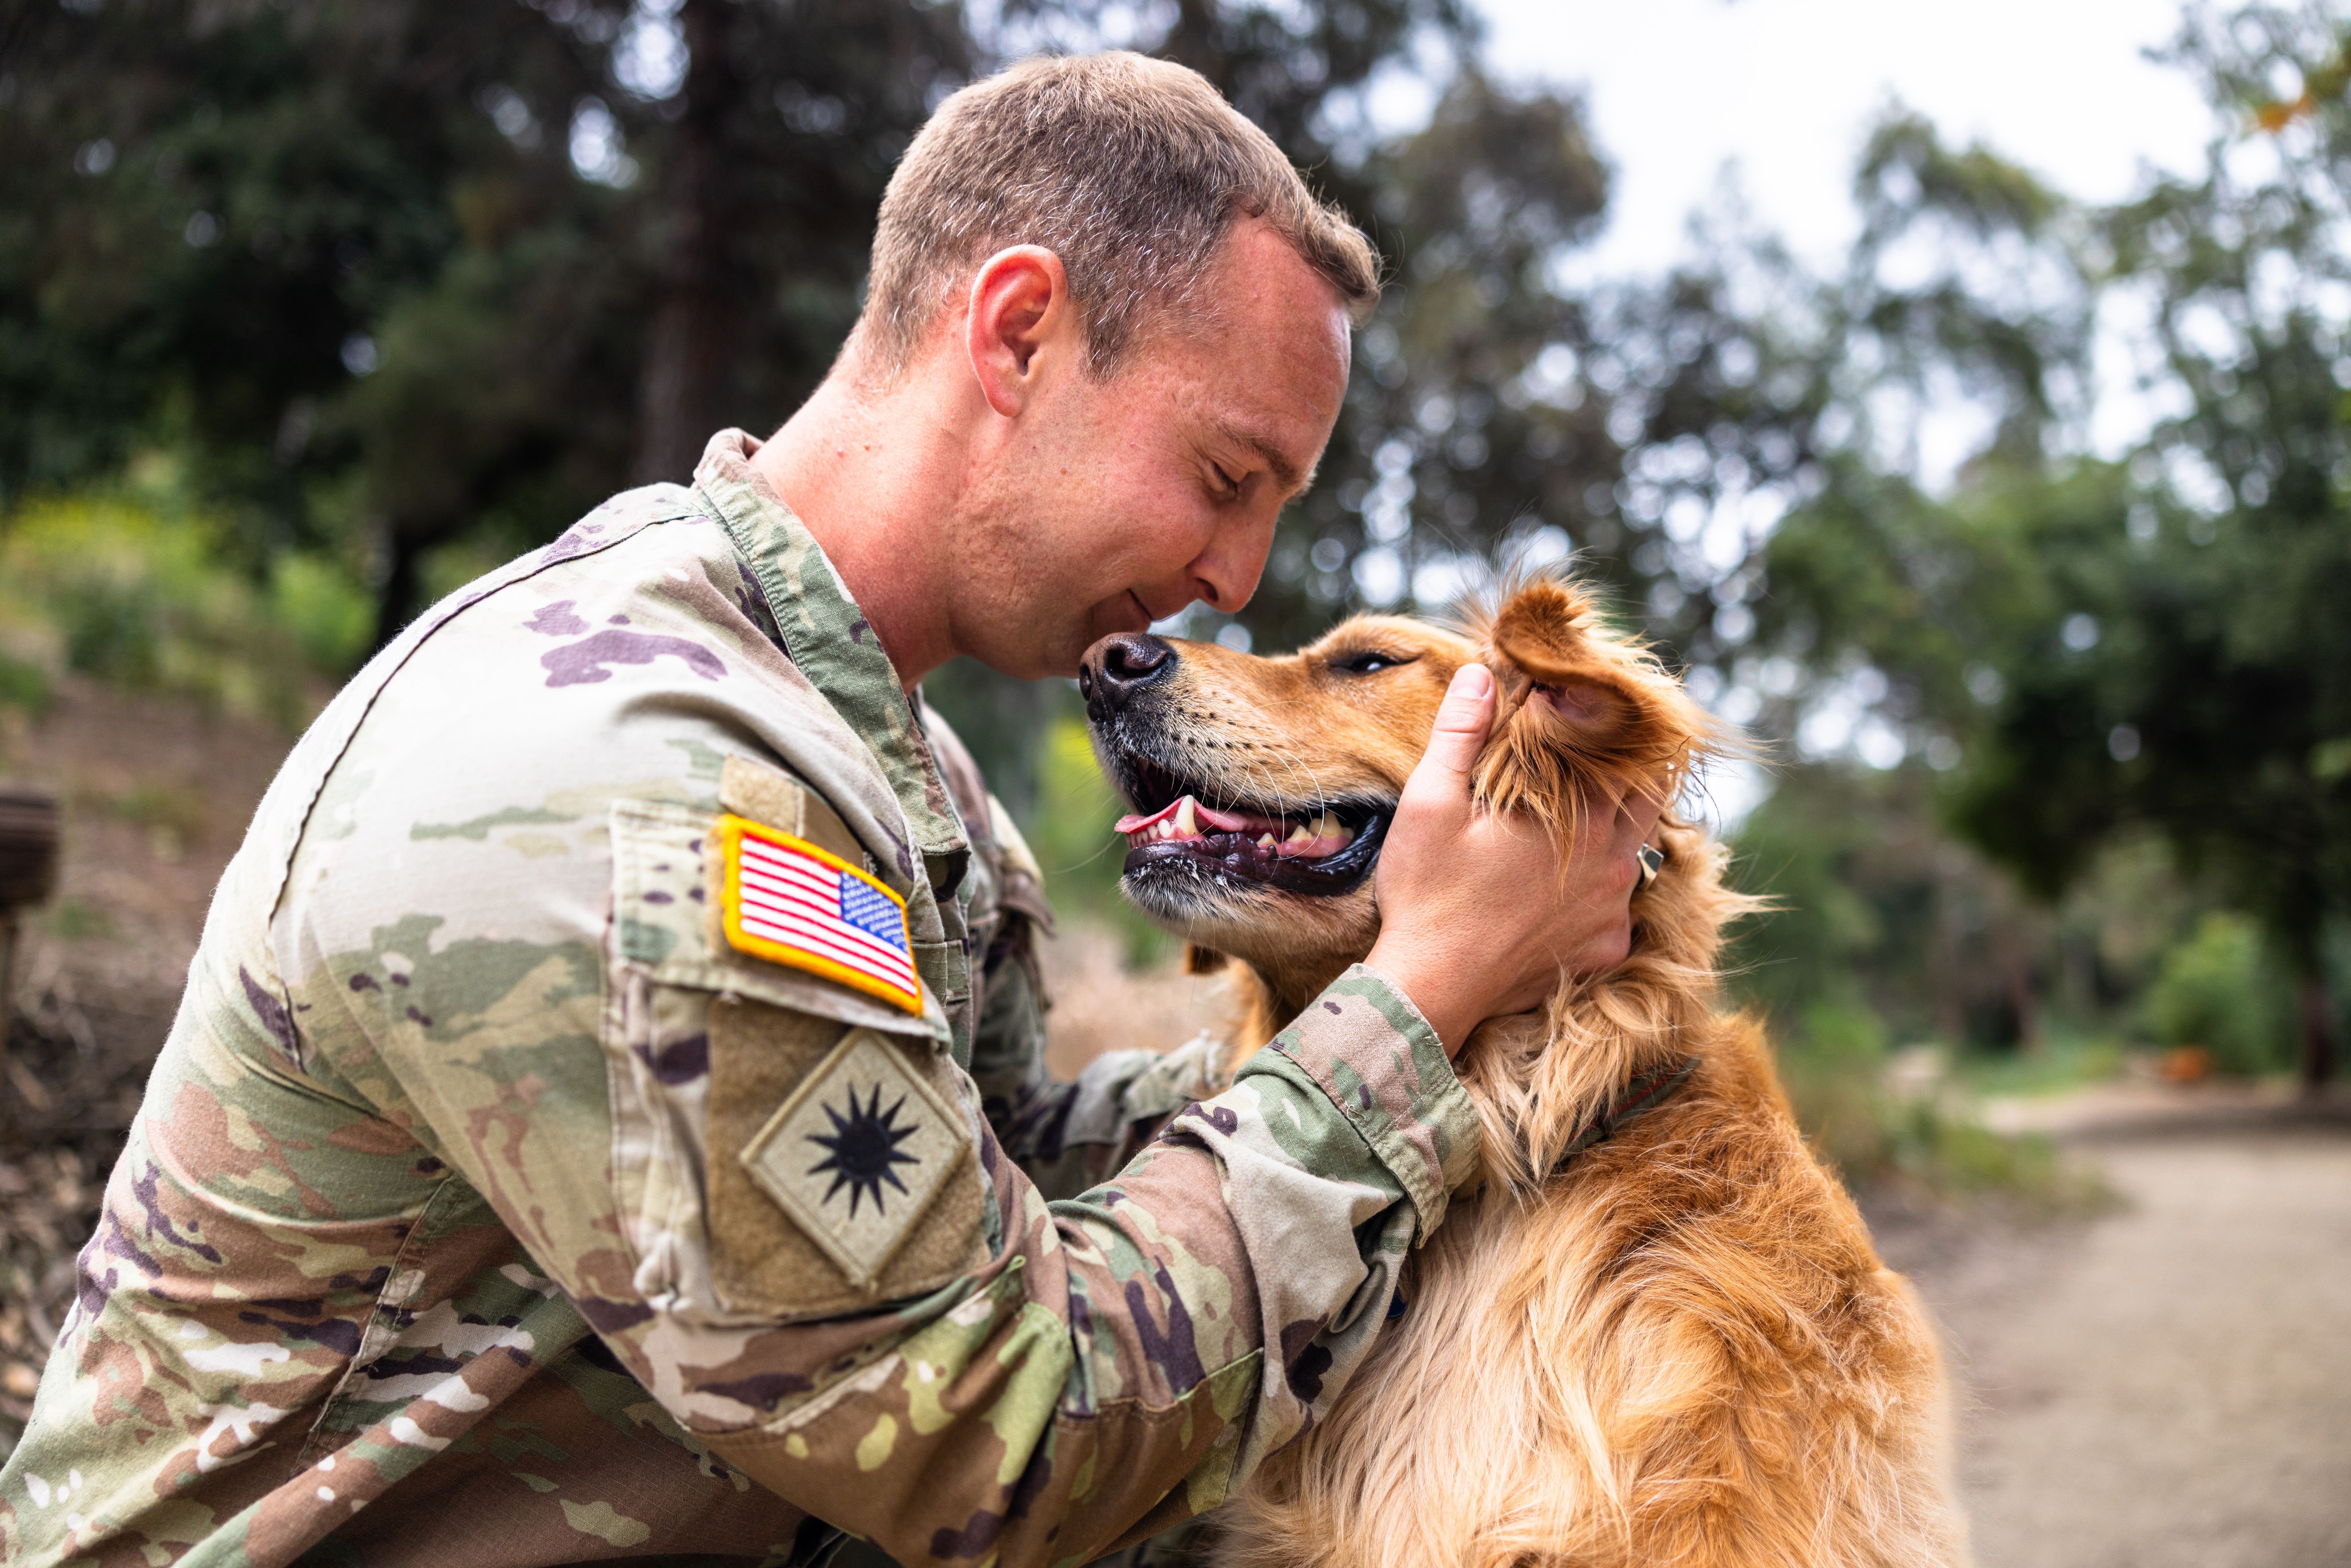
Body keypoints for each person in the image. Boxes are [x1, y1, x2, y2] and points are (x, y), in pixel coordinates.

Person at [0, 52, 1662, 1568]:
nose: (1236, 575)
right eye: (1228, 479)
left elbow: (991, 1169)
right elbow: (997, 1435)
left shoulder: (880, 759)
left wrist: (1442, 985)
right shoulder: (648, 775)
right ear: (1017, 334)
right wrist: (1415, 1009)